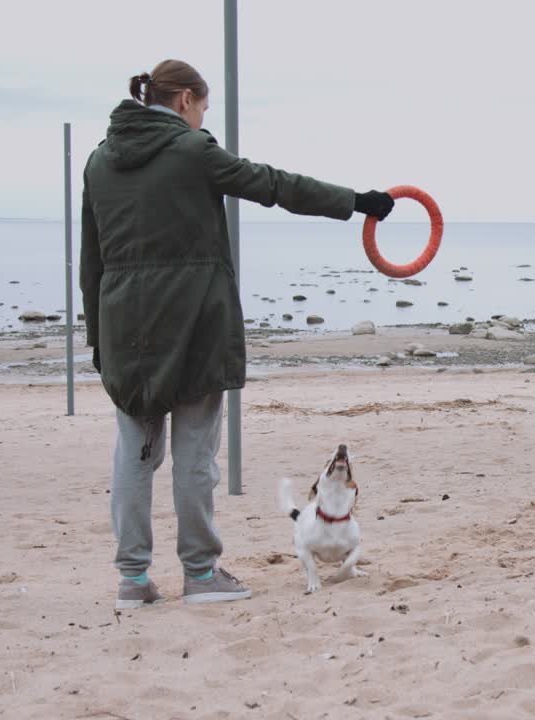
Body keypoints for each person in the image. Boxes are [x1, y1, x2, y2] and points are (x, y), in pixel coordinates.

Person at [79, 59, 394, 609]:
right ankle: (200, 575)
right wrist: (356, 202)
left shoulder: (99, 161)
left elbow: (91, 259)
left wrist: (97, 340)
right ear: (184, 101)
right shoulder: (192, 152)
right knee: (194, 456)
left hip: (124, 329)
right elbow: (272, 184)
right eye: (202, 108)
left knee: (133, 454)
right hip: (194, 322)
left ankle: (133, 580)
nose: (203, 119)